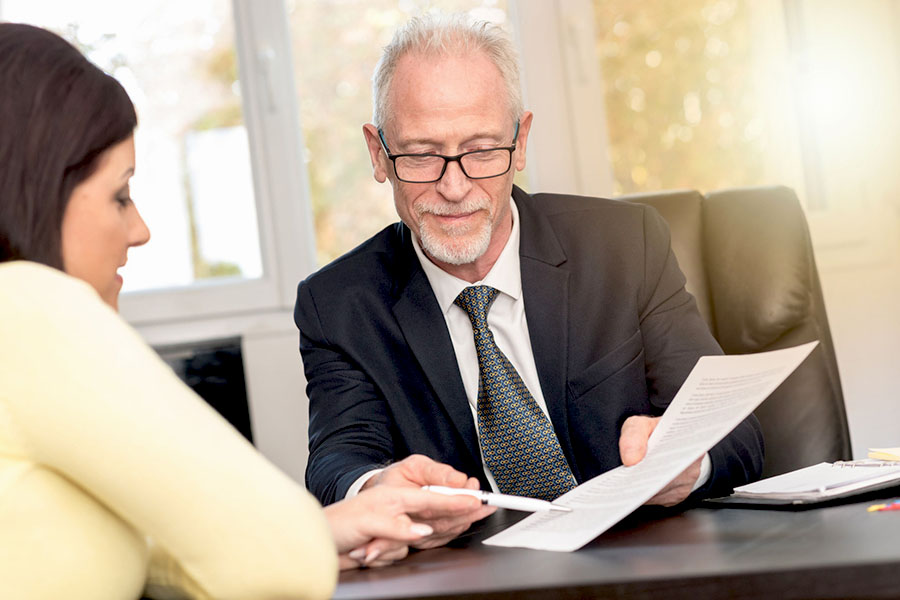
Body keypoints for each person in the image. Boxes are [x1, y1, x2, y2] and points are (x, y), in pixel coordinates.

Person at [0, 22, 486, 600]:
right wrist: (300, 536)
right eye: (120, 195)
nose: (140, 230)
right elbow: (257, 557)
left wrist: (324, 530)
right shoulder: (30, 308)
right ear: (32, 191)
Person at [295, 13, 765, 546]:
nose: (454, 187)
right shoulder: (337, 304)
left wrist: (688, 462)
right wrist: (378, 489)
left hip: (643, 559)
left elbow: (739, 433)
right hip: (479, 578)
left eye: (481, 150)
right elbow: (338, 461)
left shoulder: (624, 245)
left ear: (520, 144)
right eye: (422, 155)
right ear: (379, 154)